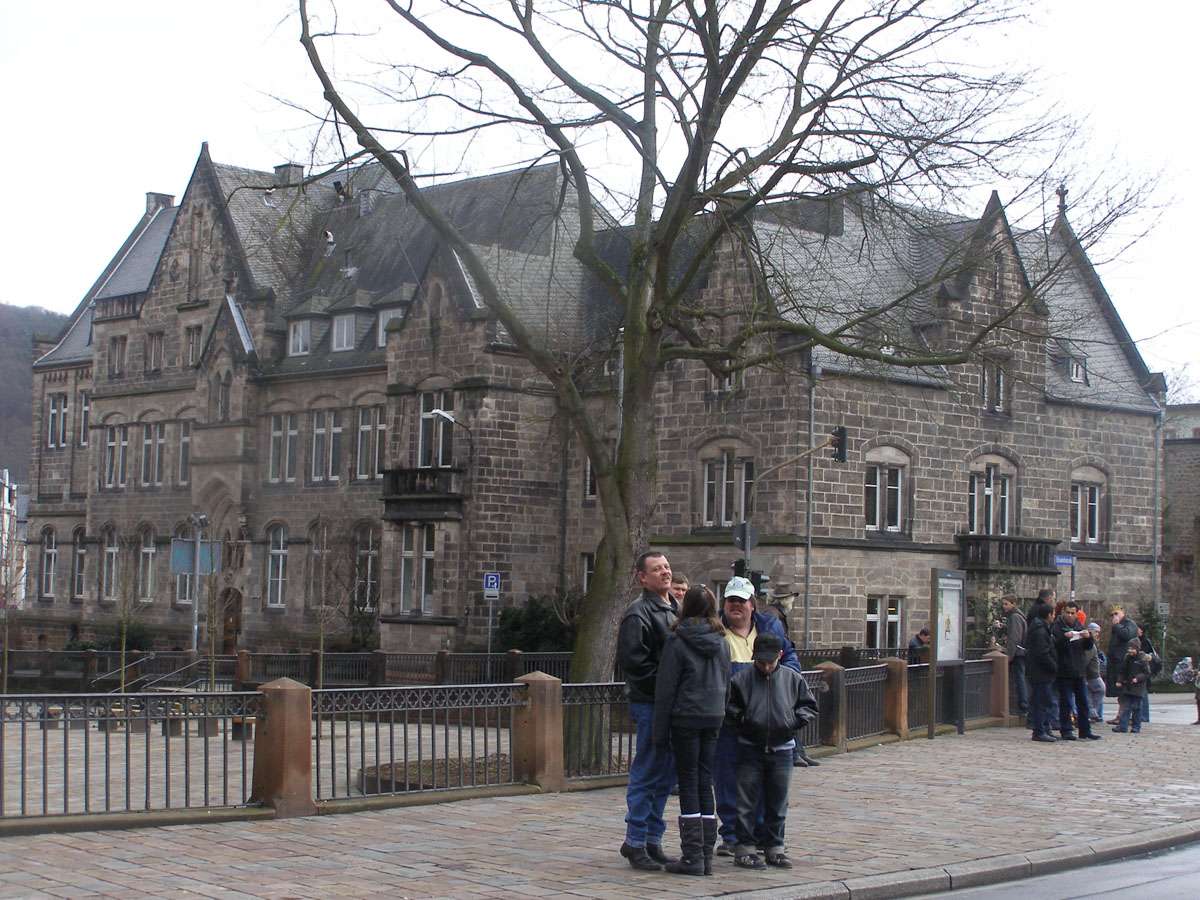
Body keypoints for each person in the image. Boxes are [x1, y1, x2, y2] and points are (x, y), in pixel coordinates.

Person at [712, 575, 807, 857]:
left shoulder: (769, 626)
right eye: (731, 600)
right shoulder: (715, 630)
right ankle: (732, 834)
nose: (736, 605)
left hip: (765, 721)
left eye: (741, 601)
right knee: (728, 779)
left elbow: (789, 659)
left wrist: (780, 684)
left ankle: (764, 835)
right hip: (730, 720)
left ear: (752, 604)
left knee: (767, 782)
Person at [652, 585, 730, 876]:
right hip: (713, 716)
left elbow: (666, 688)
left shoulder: (677, 639)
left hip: (686, 716)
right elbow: (727, 681)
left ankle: (692, 857)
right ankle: (705, 856)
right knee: (704, 782)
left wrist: (660, 732)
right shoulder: (722, 640)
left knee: (688, 782)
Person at [725, 632, 818, 870]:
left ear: (780, 656)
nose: (766, 667)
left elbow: (808, 706)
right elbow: (729, 706)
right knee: (746, 803)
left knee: (778, 803)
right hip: (750, 747)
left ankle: (775, 847)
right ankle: (744, 848)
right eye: (761, 662)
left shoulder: (792, 678)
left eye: (770, 662)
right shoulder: (741, 679)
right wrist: (743, 719)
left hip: (782, 749)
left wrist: (793, 722)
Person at [617, 551, 680, 870]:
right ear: (642, 577)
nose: (665, 572)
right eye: (657, 569)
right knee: (647, 772)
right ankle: (636, 841)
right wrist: (670, 685)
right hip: (651, 704)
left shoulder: (676, 608)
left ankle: (652, 839)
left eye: (666, 567)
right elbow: (636, 665)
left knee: (666, 775)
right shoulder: (638, 613)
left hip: (672, 705)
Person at [756, 585, 818, 770]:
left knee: (788, 711)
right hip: (775, 671)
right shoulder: (773, 616)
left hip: (780, 669)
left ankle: (799, 752)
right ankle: (795, 752)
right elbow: (774, 646)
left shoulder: (776, 614)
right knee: (785, 713)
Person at [1050, 600, 1100, 741]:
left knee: (1083, 702)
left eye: (1073, 613)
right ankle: (1066, 730)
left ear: (1077, 614)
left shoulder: (1078, 625)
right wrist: (1065, 638)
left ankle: (1085, 730)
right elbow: (1055, 646)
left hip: (1079, 670)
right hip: (1065, 670)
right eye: (1068, 613)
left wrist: (1088, 638)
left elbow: (1087, 647)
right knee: (1066, 702)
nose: (1070, 616)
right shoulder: (1057, 626)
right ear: (1063, 612)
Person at [1025, 597, 1058, 742]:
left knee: (1046, 701)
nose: (1054, 617)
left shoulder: (1042, 628)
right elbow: (1042, 653)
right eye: (1053, 614)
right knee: (1041, 702)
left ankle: (1045, 728)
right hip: (1041, 672)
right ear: (1049, 615)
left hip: (1041, 672)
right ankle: (1039, 731)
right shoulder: (1040, 631)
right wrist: (1053, 666)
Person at [1105, 605, 1138, 724]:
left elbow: (1126, 635)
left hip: (1125, 665)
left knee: (1125, 692)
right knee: (1120, 693)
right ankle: (1121, 715)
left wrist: (1117, 625)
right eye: (1112, 615)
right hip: (1116, 663)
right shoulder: (1118, 626)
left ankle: (1126, 717)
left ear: (1122, 613)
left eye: (1116, 614)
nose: (1114, 617)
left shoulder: (1129, 624)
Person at [1112, 637, 1151, 733]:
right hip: (1128, 686)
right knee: (1126, 707)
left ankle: (1136, 726)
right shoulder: (1127, 658)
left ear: (1137, 649)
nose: (1130, 651)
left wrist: (1138, 678)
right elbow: (1123, 671)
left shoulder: (1142, 659)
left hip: (1138, 687)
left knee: (1137, 707)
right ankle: (1123, 726)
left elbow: (1147, 673)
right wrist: (1120, 681)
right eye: (1129, 648)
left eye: (1133, 649)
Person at [1000, 594, 1028, 714]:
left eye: (1006, 604)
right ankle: (1022, 703)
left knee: (1019, 678)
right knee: (1019, 677)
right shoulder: (1015, 616)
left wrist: (1008, 656)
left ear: (1014, 604)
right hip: (1018, 652)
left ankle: (1023, 704)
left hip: (1018, 654)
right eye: (1003, 604)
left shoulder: (1015, 617)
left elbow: (1015, 638)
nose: (1004, 606)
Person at [1084, 621, 1106, 722]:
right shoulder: (1090, 645)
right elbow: (1086, 660)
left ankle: (1092, 712)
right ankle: (1092, 711)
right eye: (1095, 632)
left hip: (1093, 673)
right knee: (1100, 689)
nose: (1097, 634)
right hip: (1092, 674)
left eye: (1098, 632)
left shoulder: (1093, 644)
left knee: (1090, 693)